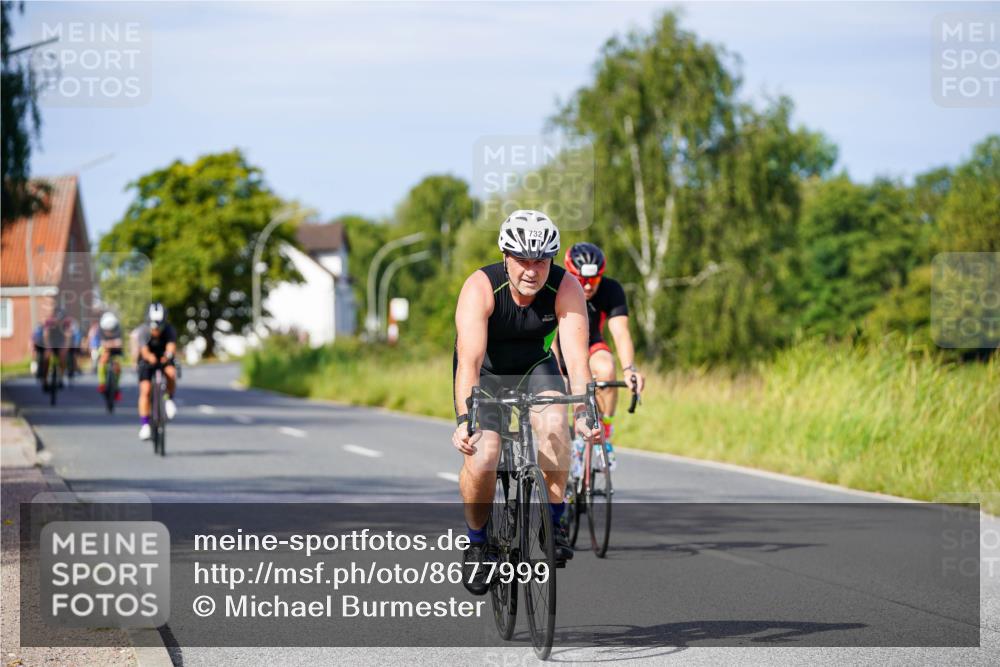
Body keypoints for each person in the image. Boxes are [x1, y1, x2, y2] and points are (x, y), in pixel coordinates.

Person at [452, 210, 600, 596]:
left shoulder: (565, 287)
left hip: (535, 366)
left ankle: (554, 519)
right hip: (487, 374)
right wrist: (465, 420)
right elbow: (469, 362)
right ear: (505, 257)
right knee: (484, 453)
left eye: (541, 261)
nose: (531, 271)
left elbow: (577, 360)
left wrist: (585, 413)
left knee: (554, 426)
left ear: (551, 260)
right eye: (522, 260)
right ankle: (477, 543)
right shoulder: (481, 287)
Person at [562, 242, 645, 471]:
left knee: (607, 369)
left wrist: (629, 369)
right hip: (559, 348)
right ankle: (569, 441)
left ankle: (605, 430)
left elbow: (620, 332)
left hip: (590, 345)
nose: (588, 286)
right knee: (560, 387)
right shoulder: (559, 287)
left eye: (594, 279)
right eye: (582, 280)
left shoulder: (611, 289)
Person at [136, 303, 179, 440]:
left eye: (159, 326)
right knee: (146, 390)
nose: (156, 329)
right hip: (148, 360)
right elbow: (144, 351)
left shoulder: (170, 330)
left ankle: (169, 399)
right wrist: (150, 358)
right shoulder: (143, 331)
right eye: (153, 326)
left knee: (171, 373)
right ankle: (145, 425)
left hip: (163, 358)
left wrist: (167, 356)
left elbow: (171, 347)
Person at [40, 307, 73, 389]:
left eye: (60, 320)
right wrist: (47, 346)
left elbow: (68, 335)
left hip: (61, 341)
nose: (58, 322)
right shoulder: (49, 321)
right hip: (51, 340)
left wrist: (66, 347)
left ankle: (61, 378)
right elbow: (46, 334)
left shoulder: (66, 322)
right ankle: (45, 380)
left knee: (62, 357)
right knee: (46, 358)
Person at [95, 311, 124, 402]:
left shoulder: (119, 328)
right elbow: (100, 343)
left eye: (111, 330)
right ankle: (102, 383)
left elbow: (120, 343)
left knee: (118, 365)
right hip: (105, 349)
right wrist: (111, 344)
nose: (109, 332)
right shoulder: (99, 329)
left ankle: (116, 387)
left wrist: (109, 344)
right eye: (107, 330)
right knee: (103, 359)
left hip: (116, 350)